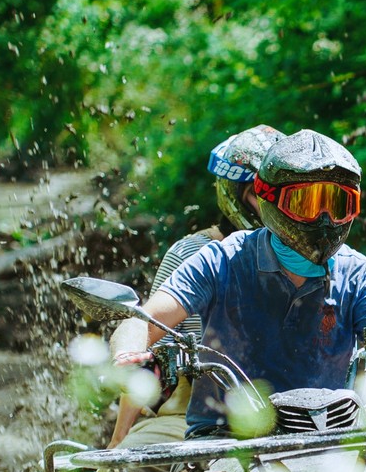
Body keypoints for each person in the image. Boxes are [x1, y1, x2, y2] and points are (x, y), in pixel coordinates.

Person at [111, 128, 366, 439]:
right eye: (305, 203)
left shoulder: (361, 275)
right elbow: (141, 321)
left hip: (330, 439)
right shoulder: (221, 258)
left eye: (337, 205)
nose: (323, 219)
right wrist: (130, 356)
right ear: (268, 199)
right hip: (226, 440)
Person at [106, 124, 284, 449]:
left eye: (282, 193)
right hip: (196, 412)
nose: (273, 204)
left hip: (293, 408)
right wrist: (118, 438)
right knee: (126, 465)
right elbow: (148, 354)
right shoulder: (191, 254)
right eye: (261, 194)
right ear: (235, 194)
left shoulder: (310, 255)